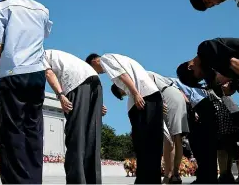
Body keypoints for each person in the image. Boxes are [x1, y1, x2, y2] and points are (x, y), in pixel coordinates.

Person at [0, 0, 52, 184]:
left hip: (13, 73)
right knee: (33, 128)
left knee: (12, 129)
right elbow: (45, 33)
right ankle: (33, 180)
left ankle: (17, 181)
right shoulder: (42, 10)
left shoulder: (3, 7)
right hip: (37, 74)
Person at [177, 37, 239, 184]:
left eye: (198, 76)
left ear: (191, 67)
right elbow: (230, 87)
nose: (202, 76)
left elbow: (235, 64)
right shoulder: (212, 66)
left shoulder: (205, 49)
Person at [86, 53, 163, 184]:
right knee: (153, 141)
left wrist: (136, 94)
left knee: (142, 142)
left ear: (93, 62)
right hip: (152, 95)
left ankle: (144, 180)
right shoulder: (121, 58)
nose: (99, 73)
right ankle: (152, 179)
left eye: (94, 70)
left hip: (142, 97)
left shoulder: (105, 59)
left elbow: (122, 75)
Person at [43, 49, 106, 184]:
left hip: (76, 83)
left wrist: (60, 96)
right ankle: (93, 181)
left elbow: (48, 73)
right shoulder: (62, 55)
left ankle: (76, 181)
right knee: (92, 135)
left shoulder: (38, 54)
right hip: (96, 83)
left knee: (76, 135)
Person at [172, 78, 219, 184]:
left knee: (198, 145)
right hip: (207, 106)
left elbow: (185, 98)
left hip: (197, 107)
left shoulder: (171, 84)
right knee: (209, 146)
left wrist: (192, 111)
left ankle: (203, 177)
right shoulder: (190, 82)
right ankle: (211, 177)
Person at [148, 71, 190, 184]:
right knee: (177, 137)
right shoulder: (161, 77)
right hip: (177, 96)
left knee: (169, 138)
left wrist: (159, 102)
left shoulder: (144, 74)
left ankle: (169, 175)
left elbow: (151, 87)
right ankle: (176, 174)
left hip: (168, 97)